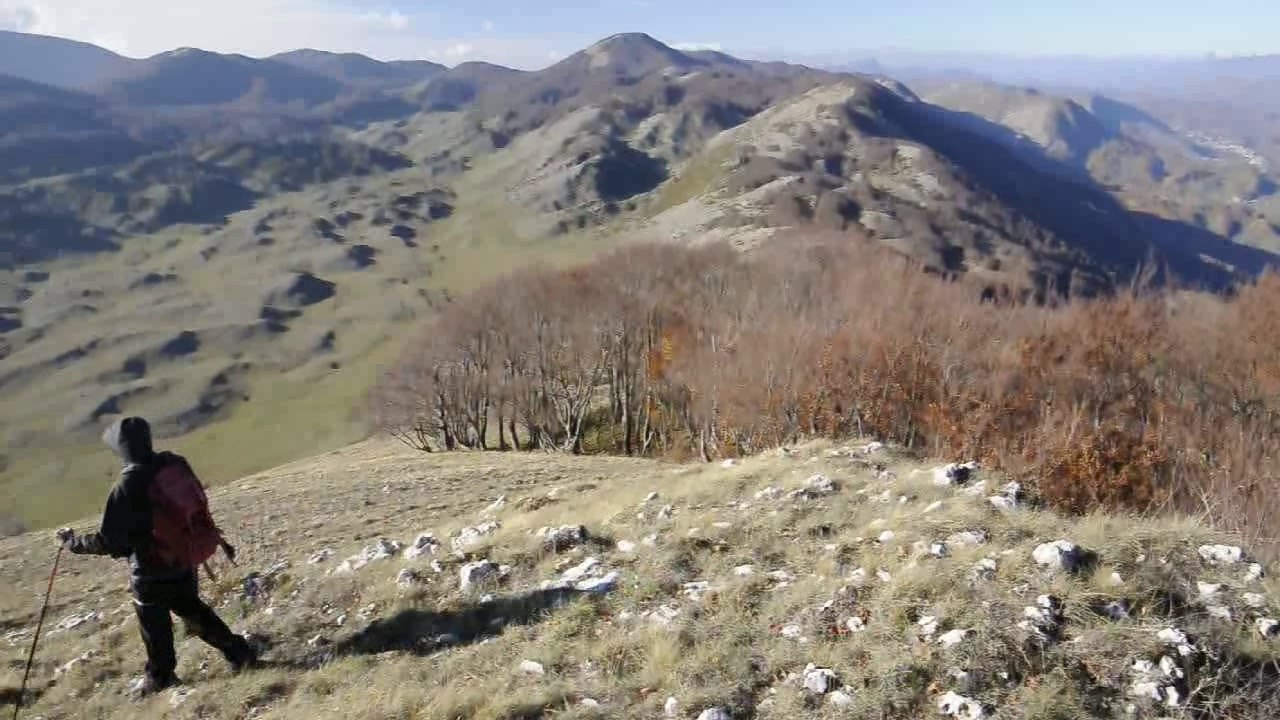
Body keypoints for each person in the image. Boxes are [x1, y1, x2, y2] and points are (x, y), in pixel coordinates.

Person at [57, 416, 257, 696]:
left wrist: (73, 543)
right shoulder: (173, 463)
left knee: (155, 628)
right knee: (193, 609)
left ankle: (160, 678)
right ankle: (239, 652)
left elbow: (111, 541)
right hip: (184, 557)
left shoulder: (127, 486)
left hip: (150, 571)